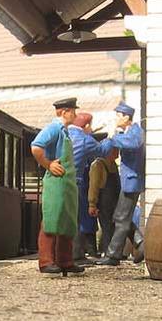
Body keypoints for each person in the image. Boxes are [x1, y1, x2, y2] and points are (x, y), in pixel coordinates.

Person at [31, 97, 85, 275]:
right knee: (52, 219)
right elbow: (36, 146)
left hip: (67, 183)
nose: (75, 115)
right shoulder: (54, 128)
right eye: (73, 111)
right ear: (64, 112)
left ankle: (65, 260)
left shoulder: (65, 132)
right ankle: (46, 261)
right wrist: (48, 164)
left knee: (67, 220)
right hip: (56, 182)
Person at [96, 102, 146, 266]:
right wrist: (108, 139)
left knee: (121, 218)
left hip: (132, 180)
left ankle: (113, 255)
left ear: (126, 117)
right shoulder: (126, 132)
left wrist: (113, 136)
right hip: (128, 180)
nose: (116, 119)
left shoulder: (136, 132)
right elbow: (106, 147)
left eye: (118, 116)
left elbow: (132, 144)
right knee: (121, 216)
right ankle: (140, 243)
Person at [68, 112, 106, 261]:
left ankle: (64, 255)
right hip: (77, 182)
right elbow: (102, 150)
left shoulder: (65, 133)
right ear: (87, 125)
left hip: (60, 180)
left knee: (66, 218)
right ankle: (77, 254)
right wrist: (113, 138)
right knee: (78, 219)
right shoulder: (85, 139)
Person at [87, 145, 120, 257]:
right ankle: (107, 252)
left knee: (114, 227)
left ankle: (113, 251)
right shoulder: (98, 165)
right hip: (104, 201)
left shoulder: (113, 165)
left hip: (114, 199)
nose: (118, 152)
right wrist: (92, 204)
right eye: (115, 150)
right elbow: (94, 186)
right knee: (106, 227)